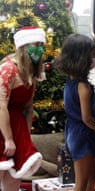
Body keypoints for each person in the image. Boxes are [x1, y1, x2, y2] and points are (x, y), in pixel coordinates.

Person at [55, 33, 95, 191]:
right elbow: (86, 118)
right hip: (82, 135)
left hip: (75, 132)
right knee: (82, 182)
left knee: (92, 179)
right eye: (92, 56)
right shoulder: (83, 87)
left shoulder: (70, 82)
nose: (94, 59)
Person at [0, 26, 45, 190]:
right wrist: (8, 138)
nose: (39, 49)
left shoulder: (31, 72)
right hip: (3, 125)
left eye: (41, 44)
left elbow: (28, 107)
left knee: (15, 177)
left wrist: (25, 135)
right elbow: (1, 105)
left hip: (17, 127)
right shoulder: (8, 69)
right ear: (24, 47)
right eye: (35, 44)